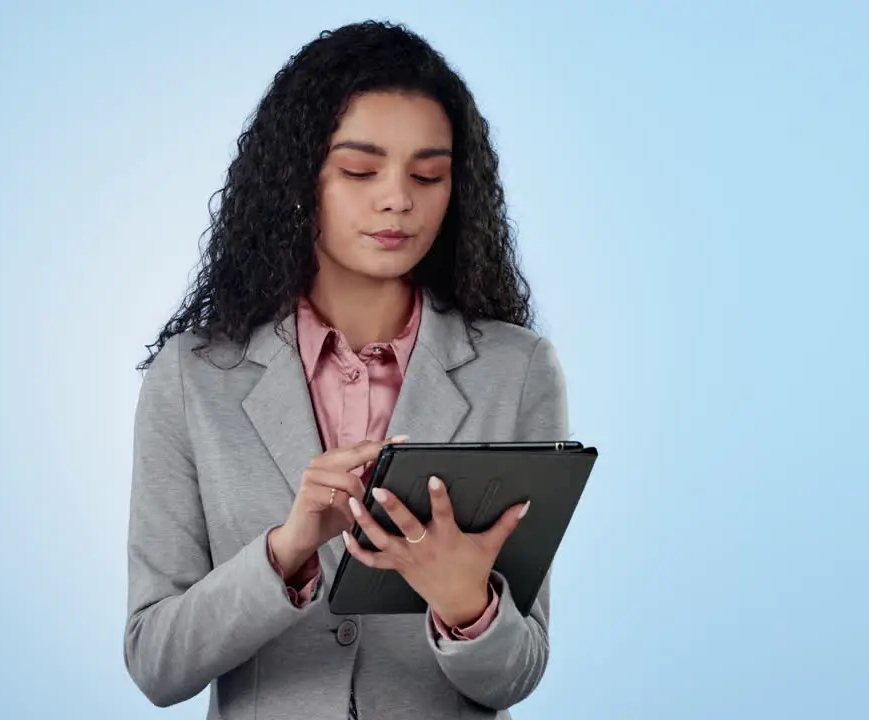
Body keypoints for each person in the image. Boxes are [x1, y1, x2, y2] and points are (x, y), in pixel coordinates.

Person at [124, 20, 570, 720]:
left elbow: (516, 674)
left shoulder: (515, 370)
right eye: (361, 170)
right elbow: (156, 664)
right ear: (300, 181)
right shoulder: (192, 377)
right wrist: (287, 550)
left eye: (428, 175)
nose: (398, 198)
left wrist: (467, 604)